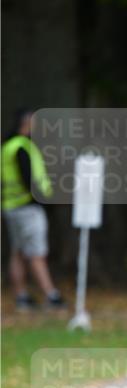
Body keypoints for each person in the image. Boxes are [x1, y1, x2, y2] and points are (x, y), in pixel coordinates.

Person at [1, 108, 66, 312]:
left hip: (11, 206)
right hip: (28, 208)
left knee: (18, 252)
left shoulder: (7, 146)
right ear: (27, 123)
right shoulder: (22, 147)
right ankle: (51, 295)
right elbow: (29, 179)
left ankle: (21, 296)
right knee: (37, 253)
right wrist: (49, 201)